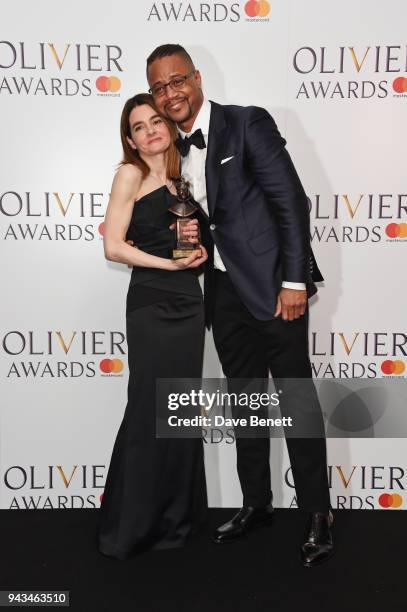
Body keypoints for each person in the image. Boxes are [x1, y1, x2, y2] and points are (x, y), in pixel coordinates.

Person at [145, 44, 333, 567]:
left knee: (295, 401)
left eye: (177, 80)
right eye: (160, 88)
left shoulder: (247, 123)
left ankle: (318, 513)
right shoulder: (174, 151)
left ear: (198, 78)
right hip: (223, 294)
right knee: (247, 400)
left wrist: (295, 280)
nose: (170, 94)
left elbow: (290, 201)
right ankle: (257, 503)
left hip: (275, 287)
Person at [97, 93, 208, 560]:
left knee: (179, 412)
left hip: (189, 303)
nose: (150, 131)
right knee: (148, 409)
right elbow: (114, 247)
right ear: (131, 140)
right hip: (152, 303)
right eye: (138, 126)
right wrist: (166, 267)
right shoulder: (130, 175)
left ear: (169, 127)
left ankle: (172, 524)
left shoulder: (184, 184)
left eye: (155, 121)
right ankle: (129, 527)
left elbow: (188, 246)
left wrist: (197, 257)